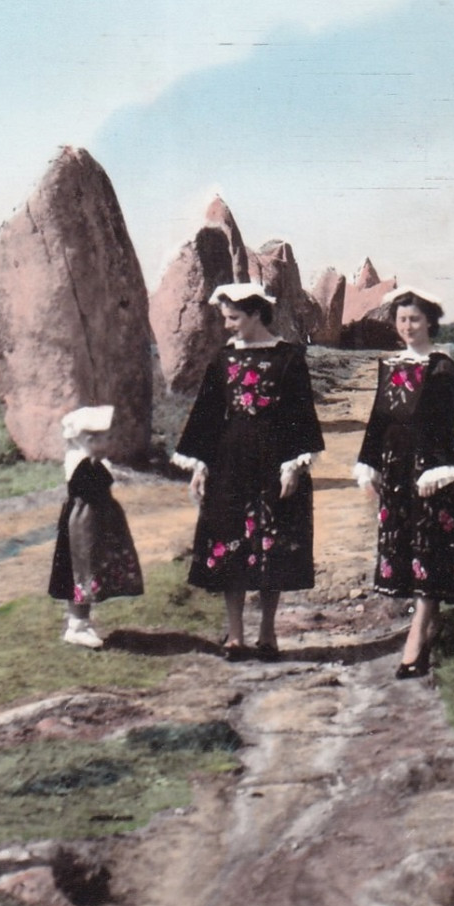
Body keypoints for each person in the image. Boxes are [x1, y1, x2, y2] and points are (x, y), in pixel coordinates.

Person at [173, 282, 324, 660]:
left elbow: (300, 416)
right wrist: (200, 466)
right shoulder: (223, 359)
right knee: (231, 543)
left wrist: (294, 467)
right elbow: (207, 416)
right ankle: (235, 635)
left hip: (275, 460)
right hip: (230, 461)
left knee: (272, 546)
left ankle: (268, 634)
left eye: (234, 318)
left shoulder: (289, 357)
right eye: (225, 318)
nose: (228, 326)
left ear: (256, 313)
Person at [355, 287, 454, 679]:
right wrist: (368, 464)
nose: (407, 327)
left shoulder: (442, 367)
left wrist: (436, 470)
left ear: (430, 322)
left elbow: (444, 425)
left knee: (429, 551)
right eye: (401, 319)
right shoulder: (391, 366)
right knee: (410, 549)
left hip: (429, 474)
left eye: (415, 319)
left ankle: (415, 643)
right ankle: (431, 626)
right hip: (396, 472)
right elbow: (378, 421)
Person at [48, 405, 144, 648]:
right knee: (81, 568)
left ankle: (81, 622)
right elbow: (91, 487)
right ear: (90, 439)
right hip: (83, 526)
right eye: (105, 438)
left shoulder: (90, 459)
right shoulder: (81, 462)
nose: (110, 442)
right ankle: (77, 626)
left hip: (93, 522)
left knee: (87, 569)